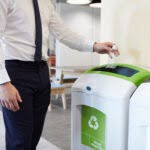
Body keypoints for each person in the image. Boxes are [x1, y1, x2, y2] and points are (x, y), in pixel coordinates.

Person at [0, 0, 120, 150]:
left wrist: (94, 46)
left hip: (42, 72)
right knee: (19, 140)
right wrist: (3, 83)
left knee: (33, 137)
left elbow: (64, 33)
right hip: (17, 72)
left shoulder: (46, 3)